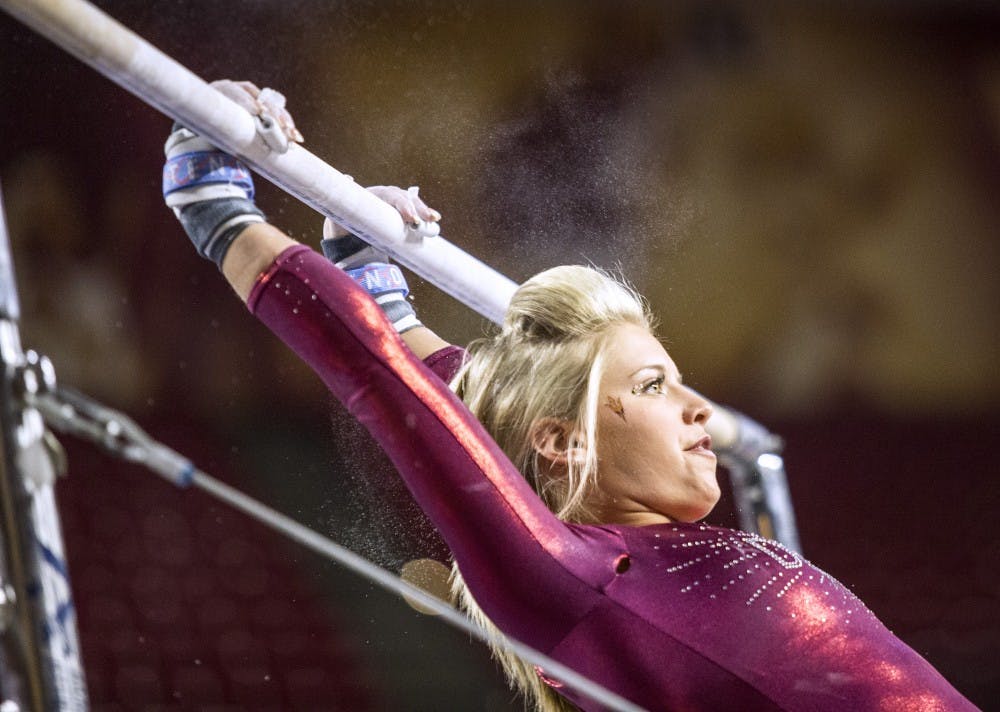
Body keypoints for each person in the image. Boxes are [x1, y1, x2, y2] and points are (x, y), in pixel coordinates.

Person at [161, 81, 977, 711]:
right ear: (565, 442)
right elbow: (399, 392)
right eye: (656, 387)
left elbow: (462, 399)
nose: (699, 409)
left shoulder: (621, 570)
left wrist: (376, 277)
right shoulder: (574, 580)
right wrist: (218, 209)